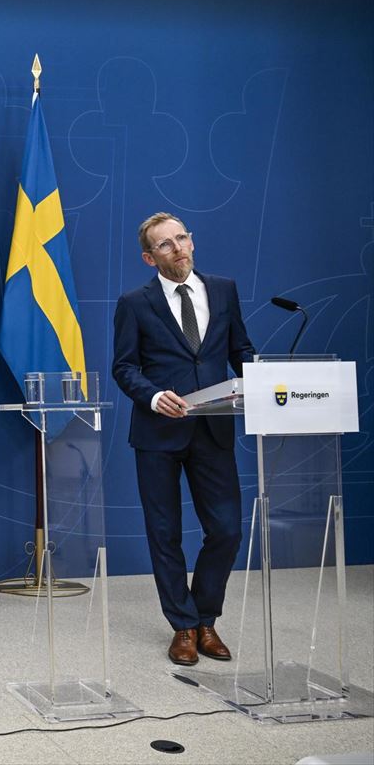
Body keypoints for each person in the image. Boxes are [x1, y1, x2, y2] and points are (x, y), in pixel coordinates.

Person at [112, 212, 254, 666]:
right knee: (165, 534)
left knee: (227, 529)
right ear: (149, 257)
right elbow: (124, 367)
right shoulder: (135, 303)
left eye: (182, 238)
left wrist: (264, 381)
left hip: (214, 428)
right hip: (158, 433)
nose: (179, 248)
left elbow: (240, 350)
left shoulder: (224, 289)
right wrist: (153, 397)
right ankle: (184, 627)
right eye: (166, 244)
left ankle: (206, 617)